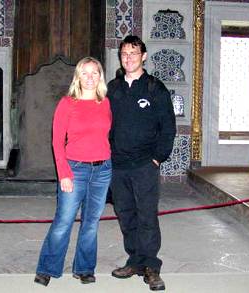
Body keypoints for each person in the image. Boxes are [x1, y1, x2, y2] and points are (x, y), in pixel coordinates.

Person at [34, 57, 112, 286]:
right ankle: (47, 268)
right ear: (78, 77)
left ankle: (85, 269)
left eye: (94, 73)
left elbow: (106, 136)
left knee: (91, 223)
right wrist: (64, 174)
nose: (89, 78)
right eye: (84, 73)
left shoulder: (105, 103)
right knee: (64, 221)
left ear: (100, 76)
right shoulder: (68, 103)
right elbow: (57, 142)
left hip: (103, 170)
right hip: (75, 169)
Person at [107, 35, 176, 291]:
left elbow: (168, 127)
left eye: (134, 53)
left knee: (147, 216)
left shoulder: (154, 88)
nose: (129, 58)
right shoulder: (112, 89)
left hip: (145, 165)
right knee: (125, 215)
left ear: (144, 56)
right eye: (125, 53)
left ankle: (151, 267)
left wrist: (158, 158)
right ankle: (134, 260)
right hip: (118, 166)